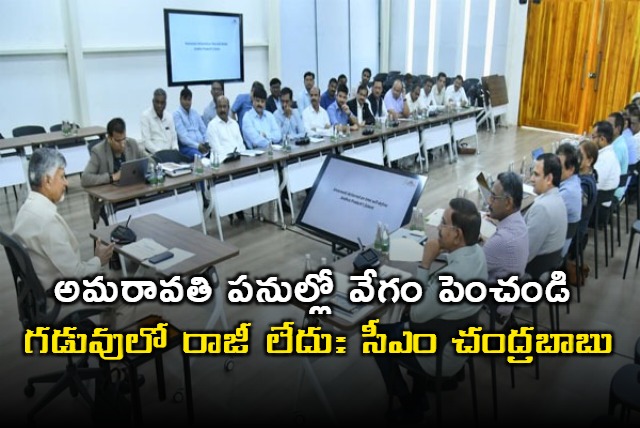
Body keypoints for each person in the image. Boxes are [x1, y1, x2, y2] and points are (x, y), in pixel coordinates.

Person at [372, 198, 487, 423]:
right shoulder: (478, 254)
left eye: (443, 223)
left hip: (440, 355)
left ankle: (410, 405)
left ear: (457, 234)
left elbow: (417, 314)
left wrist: (425, 263)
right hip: (459, 342)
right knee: (414, 321)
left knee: (375, 336)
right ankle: (419, 394)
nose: (438, 229)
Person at [14, 148, 114, 293]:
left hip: (38, 291)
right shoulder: (47, 221)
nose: (66, 183)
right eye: (62, 177)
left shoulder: (25, 209)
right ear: (47, 181)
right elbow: (76, 275)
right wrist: (99, 259)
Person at [482, 172, 529, 324]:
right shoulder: (520, 225)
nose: (489, 201)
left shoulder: (501, 241)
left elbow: (467, 272)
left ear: (508, 202)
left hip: (489, 312)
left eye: (493, 197)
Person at [81, 118, 145, 226]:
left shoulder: (132, 144)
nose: (122, 144)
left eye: (124, 139)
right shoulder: (98, 151)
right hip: (109, 201)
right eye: (118, 141)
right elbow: (85, 179)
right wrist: (112, 177)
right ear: (109, 138)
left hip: (132, 194)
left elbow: (149, 160)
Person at [206, 95, 246, 223]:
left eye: (225, 107)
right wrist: (232, 156)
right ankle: (232, 208)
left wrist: (237, 155)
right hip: (222, 163)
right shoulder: (212, 126)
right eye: (220, 107)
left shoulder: (234, 124)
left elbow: (241, 145)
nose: (222, 109)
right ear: (216, 108)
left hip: (236, 160)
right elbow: (217, 150)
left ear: (229, 108)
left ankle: (240, 205)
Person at [525, 153, 568, 262]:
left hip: (530, 268)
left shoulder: (542, 209)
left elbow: (524, 254)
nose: (531, 179)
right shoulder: (558, 199)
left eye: (536, 174)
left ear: (549, 178)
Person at [555, 143, 582, 256]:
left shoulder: (567, 193)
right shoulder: (574, 181)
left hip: (553, 254)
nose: (554, 170)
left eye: (558, 167)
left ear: (571, 169)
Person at [173, 87, 208, 161]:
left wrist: (206, 143)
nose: (187, 102)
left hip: (201, 146)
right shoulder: (177, 114)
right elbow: (183, 138)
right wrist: (197, 146)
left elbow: (204, 130)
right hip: (187, 147)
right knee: (201, 158)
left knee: (215, 153)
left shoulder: (195, 113)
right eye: (185, 99)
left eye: (189, 100)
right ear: (180, 99)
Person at [140, 88, 178, 155]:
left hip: (170, 154)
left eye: (162, 103)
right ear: (153, 101)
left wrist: (175, 150)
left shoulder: (169, 116)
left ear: (165, 103)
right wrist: (161, 153)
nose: (159, 105)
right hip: (154, 155)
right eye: (157, 102)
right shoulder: (145, 116)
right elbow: (146, 141)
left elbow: (174, 138)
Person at [592, 121, 622, 191]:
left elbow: (594, 186)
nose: (591, 141)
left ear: (602, 139)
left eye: (593, 137)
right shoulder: (611, 154)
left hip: (598, 196)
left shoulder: (604, 159)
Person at [606, 112, 629, 200]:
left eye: (609, 125)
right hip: (611, 189)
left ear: (618, 128)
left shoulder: (618, 147)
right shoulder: (616, 142)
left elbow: (609, 172)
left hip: (612, 194)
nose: (606, 128)